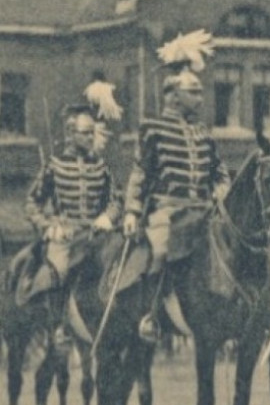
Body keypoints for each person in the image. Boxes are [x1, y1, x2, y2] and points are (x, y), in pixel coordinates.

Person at [123, 30, 228, 343]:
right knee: (161, 249)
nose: (199, 97)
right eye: (193, 92)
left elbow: (219, 170)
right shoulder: (153, 128)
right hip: (168, 211)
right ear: (173, 94)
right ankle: (152, 315)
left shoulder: (203, 133)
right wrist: (132, 210)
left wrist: (222, 186)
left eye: (199, 91)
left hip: (203, 211)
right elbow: (141, 171)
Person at [19, 95, 120, 307]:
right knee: (58, 272)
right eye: (85, 133)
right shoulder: (54, 166)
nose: (90, 138)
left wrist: (107, 216)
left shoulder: (101, 167)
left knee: (118, 270)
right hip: (66, 235)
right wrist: (48, 226)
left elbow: (115, 200)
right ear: (70, 134)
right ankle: (54, 323)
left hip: (96, 235)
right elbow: (32, 203)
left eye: (92, 132)